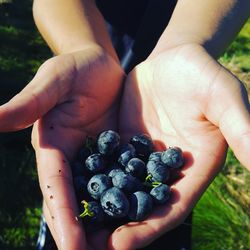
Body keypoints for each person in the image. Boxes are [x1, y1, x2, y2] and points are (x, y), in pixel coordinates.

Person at [0, 0, 249, 249]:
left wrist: (187, 43)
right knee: (71, 221)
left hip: (170, 104)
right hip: (89, 78)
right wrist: (81, 47)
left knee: (161, 223)